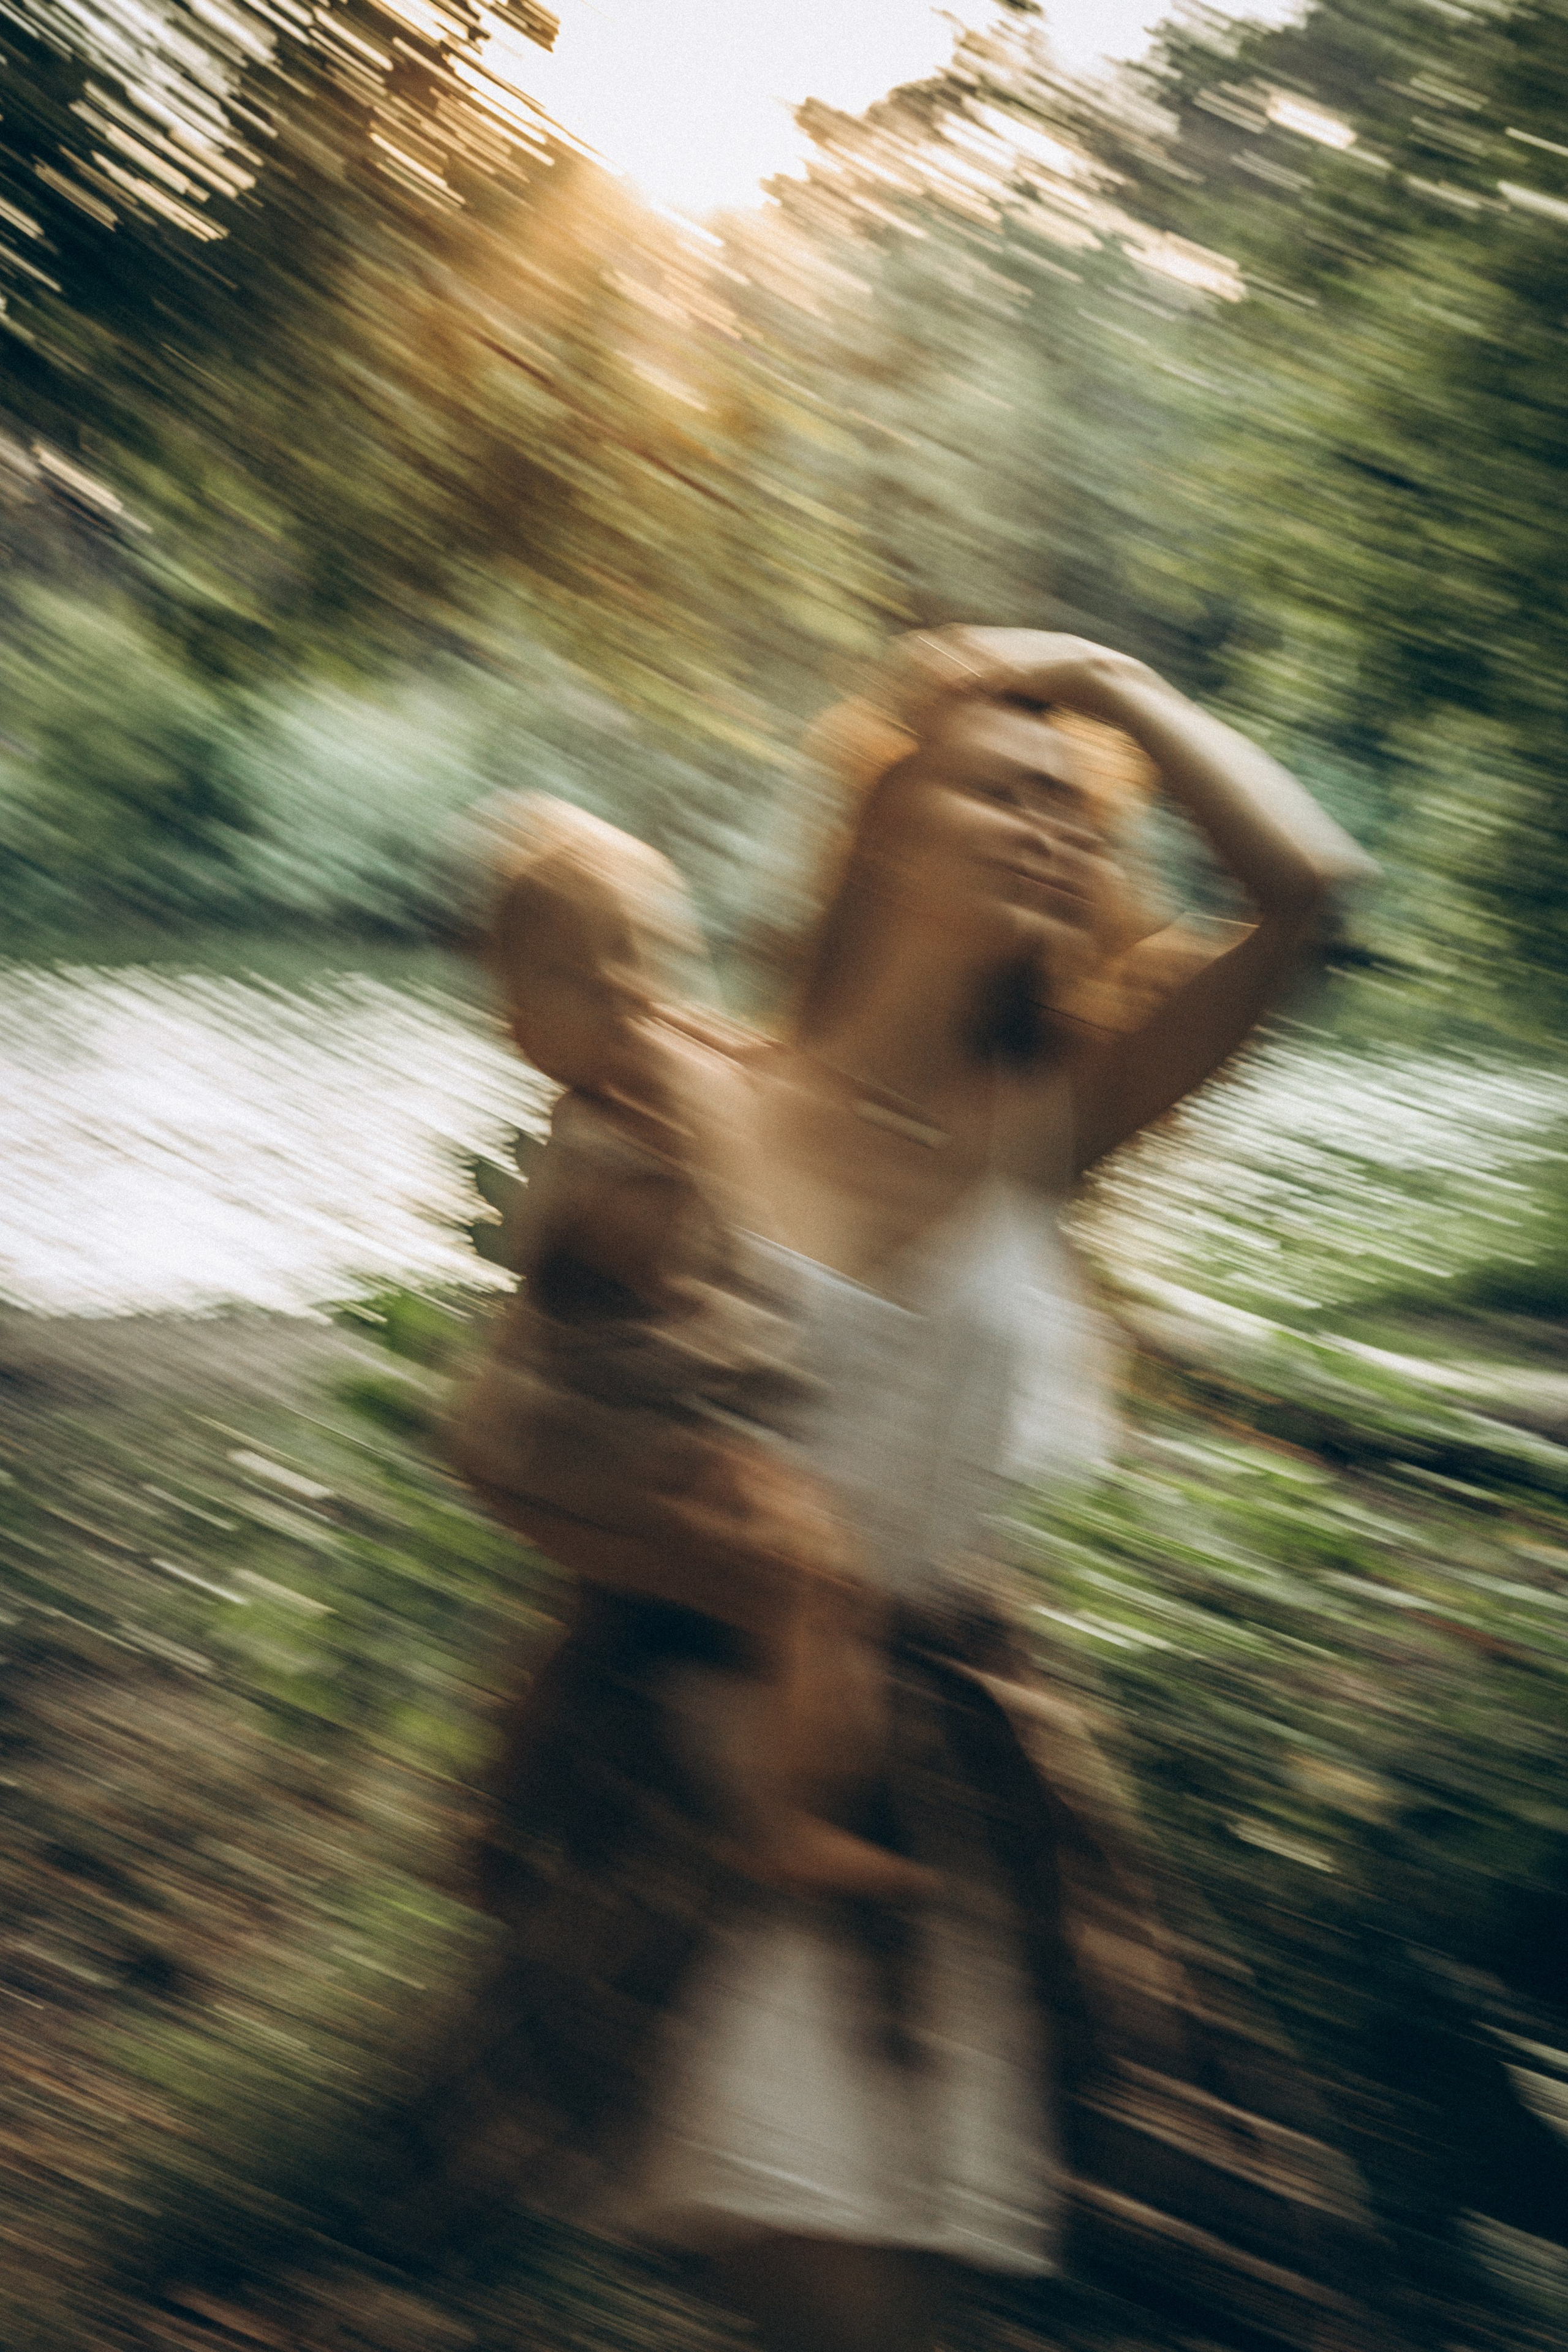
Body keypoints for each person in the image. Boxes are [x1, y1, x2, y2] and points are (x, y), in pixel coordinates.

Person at [414, 627, 1379, 2352]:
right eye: (1001, 788)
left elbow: (1308, 892)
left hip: (961, 1801)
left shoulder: (1055, 1121)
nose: (1052, 826)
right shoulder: (693, 1094)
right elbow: (508, 1443)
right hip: (708, 1778)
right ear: (880, 823)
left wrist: (1108, 686)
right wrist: (705, 1567)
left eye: (1078, 812)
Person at [453, 793, 938, 1902]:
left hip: (591, 1439)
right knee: (807, 1578)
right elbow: (642, 1273)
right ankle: (787, 1821)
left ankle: (497, 1816)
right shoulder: (594, 1148)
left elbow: (757, 1074)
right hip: (599, 1441)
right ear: (522, 1028)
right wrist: (688, 1166)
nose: (630, 989)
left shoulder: (666, 1067)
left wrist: (752, 1078)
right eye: (583, 976)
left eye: (653, 953)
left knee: (596, 1617)